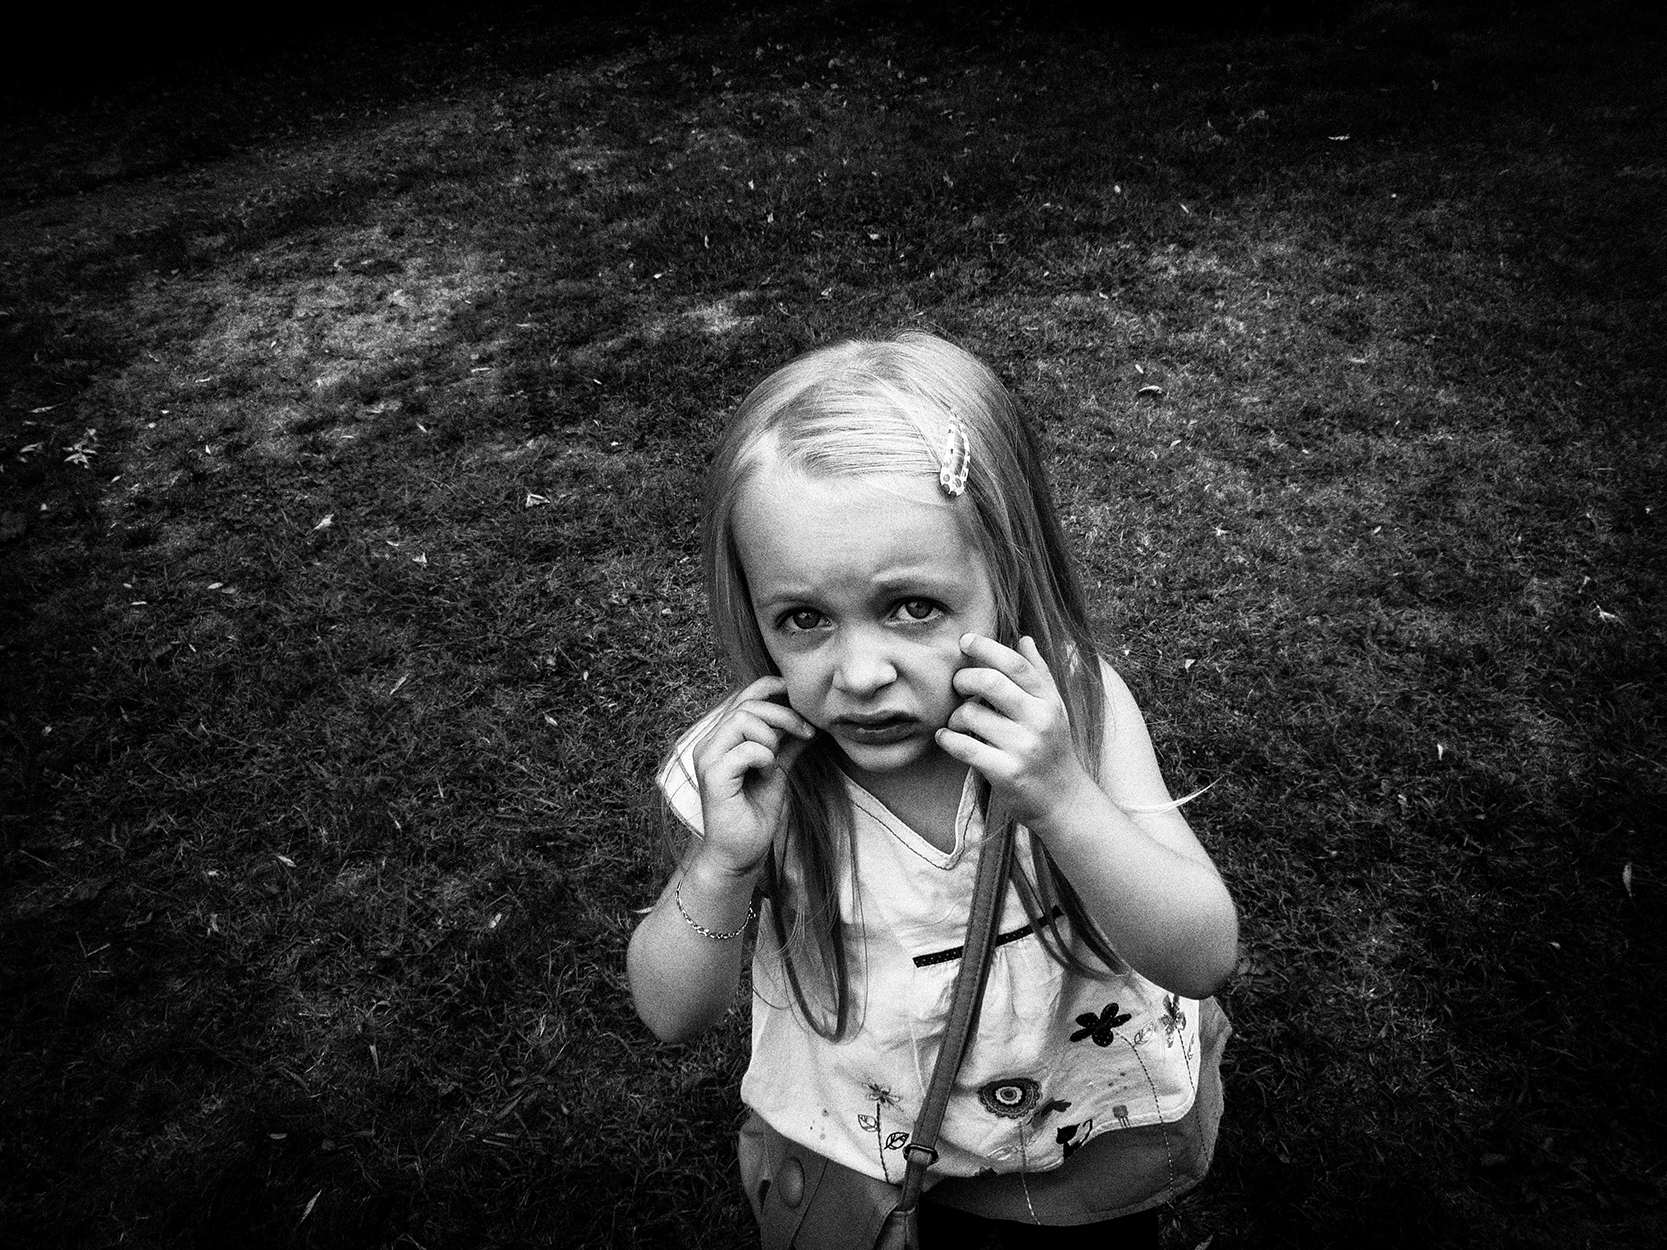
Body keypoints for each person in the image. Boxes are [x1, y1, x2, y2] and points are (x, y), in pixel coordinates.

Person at [626, 331, 1238, 1249]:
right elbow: (670, 1013)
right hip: (878, 1165)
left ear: (1007, 574)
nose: (860, 672)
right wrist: (720, 864)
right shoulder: (753, 774)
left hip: (1084, 1145)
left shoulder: (1073, 706)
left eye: (912, 607)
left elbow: (1200, 956)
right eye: (802, 620)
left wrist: (1062, 796)